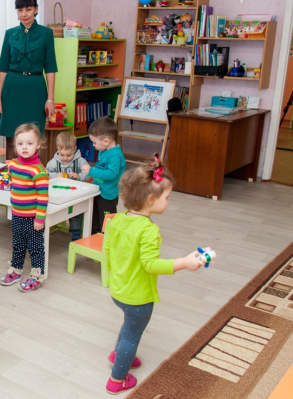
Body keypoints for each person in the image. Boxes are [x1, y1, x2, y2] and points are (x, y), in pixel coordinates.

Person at [103, 155, 204, 394]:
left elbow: (107, 249)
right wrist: (185, 262)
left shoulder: (117, 219)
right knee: (132, 335)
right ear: (151, 199)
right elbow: (151, 265)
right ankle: (117, 380)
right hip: (137, 297)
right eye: (166, 197)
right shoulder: (149, 230)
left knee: (128, 326)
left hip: (118, 289)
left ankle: (117, 355)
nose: (168, 201)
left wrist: (112, 276)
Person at [0, 0, 57, 160]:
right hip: (11, 90)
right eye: (20, 10)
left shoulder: (46, 34)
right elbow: (3, 68)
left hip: (36, 90)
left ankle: (33, 174)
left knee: (34, 139)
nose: (24, 14)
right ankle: (12, 173)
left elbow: (50, 68)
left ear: (36, 9)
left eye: (28, 9)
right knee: (11, 139)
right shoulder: (10, 34)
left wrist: (50, 99)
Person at [0, 123, 49, 292]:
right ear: (15, 145)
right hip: (17, 215)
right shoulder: (12, 165)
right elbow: (12, 183)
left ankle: (36, 276)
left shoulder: (39, 171)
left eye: (29, 143)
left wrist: (39, 219)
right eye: (20, 144)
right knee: (18, 245)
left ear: (38, 145)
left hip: (33, 219)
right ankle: (16, 271)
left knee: (36, 249)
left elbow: (43, 197)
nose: (25, 147)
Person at [80, 117, 126, 234]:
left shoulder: (115, 155)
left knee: (107, 223)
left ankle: (107, 240)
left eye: (94, 142)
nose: (93, 145)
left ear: (106, 141)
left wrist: (92, 171)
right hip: (98, 191)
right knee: (94, 218)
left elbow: (111, 174)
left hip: (108, 195)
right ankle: (94, 237)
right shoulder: (103, 150)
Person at [46, 132, 89, 241]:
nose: (65, 158)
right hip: (58, 194)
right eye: (62, 155)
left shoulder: (80, 161)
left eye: (69, 155)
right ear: (57, 149)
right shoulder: (53, 162)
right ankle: (50, 225)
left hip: (75, 194)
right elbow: (45, 174)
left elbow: (88, 174)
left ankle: (76, 234)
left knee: (76, 212)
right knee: (56, 210)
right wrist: (55, 175)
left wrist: (79, 176)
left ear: (74, 149)